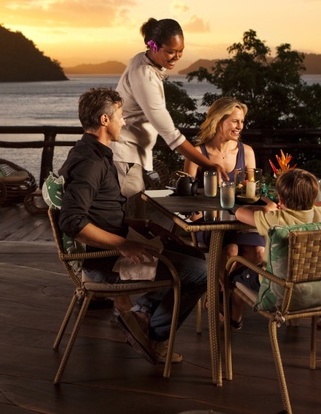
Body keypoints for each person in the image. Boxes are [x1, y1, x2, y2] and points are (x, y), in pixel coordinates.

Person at [57, 87, 207, 365]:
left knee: (193, 255)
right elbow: (72, 221)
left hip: (111, 251)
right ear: (105, 120)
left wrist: (142, 224)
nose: (124, 122)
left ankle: (140, 317)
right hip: (104, 263)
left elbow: (101, 212)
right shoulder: (90, 162)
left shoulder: (94, 153)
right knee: (200, 271)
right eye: (120, 115)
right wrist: (124, 244)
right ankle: (151, 335)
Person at [112, 18, 222, 210]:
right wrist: (210, 165)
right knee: (132, 216)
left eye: (180, 51)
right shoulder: (144, 74)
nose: (176, 57)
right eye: (170, 52)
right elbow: (170, 134)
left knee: (139, 214)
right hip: (126, 155)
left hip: (135, 155)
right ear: (153, 46)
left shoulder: (143, 61)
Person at [231, 168, 321, 329]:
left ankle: (235, 319)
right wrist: (310, 204)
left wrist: (269, 208)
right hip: (316, 285)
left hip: (278, 288)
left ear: (281, 198)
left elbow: (239, 213)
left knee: (235, 274)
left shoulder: (275, 218)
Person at [183, 97, 265, 292]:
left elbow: (252, 193)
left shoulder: (247, 152)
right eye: (235, 121)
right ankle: (223, 298)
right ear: (219, 120)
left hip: (241, 223)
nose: (240, 126)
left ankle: (220, 293)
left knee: (259, 254)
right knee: (230, 252)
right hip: (211, 225)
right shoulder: (196, 153)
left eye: (242, 121)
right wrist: (197, 218)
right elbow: (186, 197)